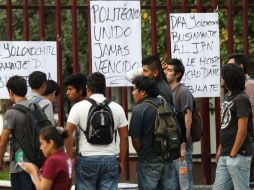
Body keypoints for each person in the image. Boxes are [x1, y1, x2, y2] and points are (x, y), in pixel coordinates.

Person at [64, 72, 129, 190]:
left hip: (86, 159)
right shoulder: (117, 107)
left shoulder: (78, 107)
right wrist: (121, 161)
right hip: (110, 158)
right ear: (104, 88)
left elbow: (67, 133)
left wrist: (71, 157)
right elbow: (124, 137)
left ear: (87, 88)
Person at [129, 75, 173, 190]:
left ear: (143, 92)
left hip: (148, 159)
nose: (132, 93)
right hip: (167, 157)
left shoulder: (139, 110)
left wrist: (142, 153)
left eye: (134, 89)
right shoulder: (167, 106)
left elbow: (135, 139)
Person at [213, 64, 253, 190]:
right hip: (226, 153)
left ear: (229, 78)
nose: (220, 78)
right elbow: (226, 126)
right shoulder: (227, 96)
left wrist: (233, 154)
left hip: (238, 155)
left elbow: (242, 130)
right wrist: (221, 148)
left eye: (222, 75)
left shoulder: (242, 99)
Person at [0, 75, 36, 190]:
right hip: (36, 163)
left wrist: (0, 160)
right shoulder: (35, 106)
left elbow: (3, 142)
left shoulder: (12, 113)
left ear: (10, 92)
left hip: (20, 166)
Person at [164, 58, 194, 190]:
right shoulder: (165, 91)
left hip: (182, 147)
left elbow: (188, 118)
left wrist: (183, 143)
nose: (165, 72)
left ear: (178, 74)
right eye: (165, 69)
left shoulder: (183, 91)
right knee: (172, 184)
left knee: (185, 184)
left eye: (169, 70)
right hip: (170, 146)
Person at [227, 53, 254, 182]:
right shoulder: (233, 88)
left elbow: (252, 113)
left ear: (241, 67)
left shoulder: (248, 85)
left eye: (230, 66)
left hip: (245, 142)